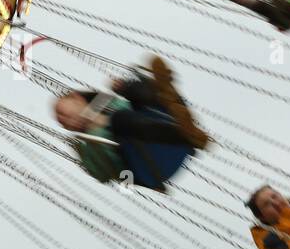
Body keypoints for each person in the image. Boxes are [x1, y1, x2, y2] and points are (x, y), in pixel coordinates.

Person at [53, 56, 208, 190]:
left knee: (134, 94)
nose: (62, 120)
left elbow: (130, 106)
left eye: (60, 112)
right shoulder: (85, 145)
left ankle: (167, 97)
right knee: (120, 119)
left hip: (163, 133)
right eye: (63, 123)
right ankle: (182, 133)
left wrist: (121, 88)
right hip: (148, 165)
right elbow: (103, 174)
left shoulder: (104, 102)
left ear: (76, 97)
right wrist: (94, 127)